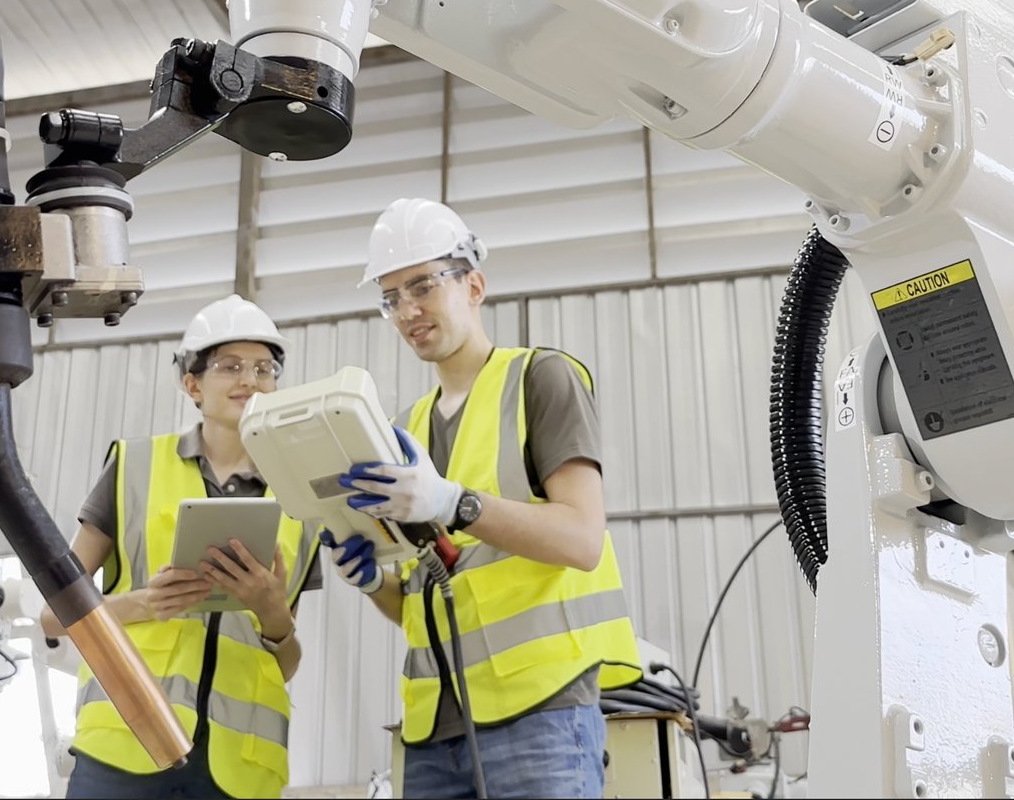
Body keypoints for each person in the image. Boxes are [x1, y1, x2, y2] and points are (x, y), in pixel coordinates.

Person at [326, 198, 641, 799]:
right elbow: (424, 600)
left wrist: (454, 504)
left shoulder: (541, 379)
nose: (407, 310)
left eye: (422, 285)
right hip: (431, 728)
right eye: (390, 297)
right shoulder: (402, 430)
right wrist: (373, 585)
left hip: (540, 714)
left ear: (474, 284)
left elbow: (581, 540)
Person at [46, 295, 321, 800]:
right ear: (192, 384)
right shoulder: (134, 467)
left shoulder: (300, 498)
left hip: (240, 771)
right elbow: (51, 615)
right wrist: (141, 603)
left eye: (264, 368)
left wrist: (273, 616)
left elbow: (284, 661)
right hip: (127, 743)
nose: (250, 380)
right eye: (229, 366)